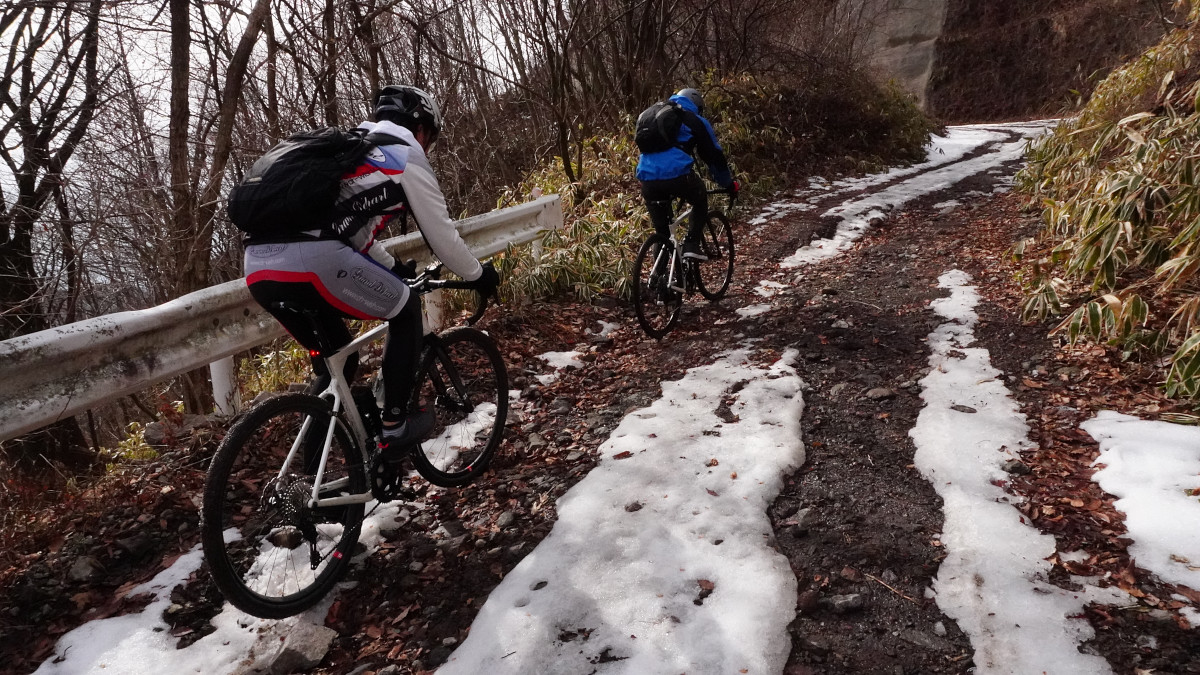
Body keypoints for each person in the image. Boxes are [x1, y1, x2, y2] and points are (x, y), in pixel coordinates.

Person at [242, 84, 500, 452]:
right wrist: (479, 275)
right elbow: (443, 240)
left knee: (340, 361)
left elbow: (351, 232)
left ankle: (310, 477)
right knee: (407, 307)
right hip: (313, 260)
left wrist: (393, 266)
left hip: (257, 267)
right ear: (423, 129)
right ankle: (394, 425)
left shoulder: (347, 153)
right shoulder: (405, 155)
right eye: (431, 138)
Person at [636, 87, 737, 261]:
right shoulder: (693, 119)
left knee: (663, 232)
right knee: (699, 199)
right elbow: (713, 155)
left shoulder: (654, 115)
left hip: (647, 178)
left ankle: (658, 279)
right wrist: (727, 183)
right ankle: (691, 245)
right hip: (678, 176)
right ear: (696, 104)